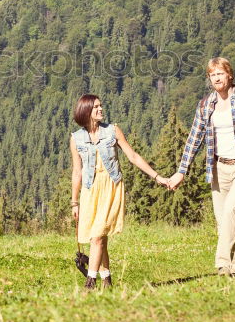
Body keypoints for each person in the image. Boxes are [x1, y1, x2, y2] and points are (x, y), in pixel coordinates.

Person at [167, 57, 235, 277]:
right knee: (223, 221)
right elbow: (194, 139)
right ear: (209, 78)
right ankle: (232, 270)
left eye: (220, 73)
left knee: (230, 210)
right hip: (218, 168)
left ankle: (221, 263)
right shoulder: (206, 104)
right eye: (212, 74)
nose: (217, 78)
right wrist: (181, 171)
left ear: (229, 75)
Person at [70, 94, 165, 290]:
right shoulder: (76, 138)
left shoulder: (112, 131)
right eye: (96, 107)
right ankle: (107, 279)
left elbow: (133, 156)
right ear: (86, 111)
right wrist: (74, 201)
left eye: (101, 105)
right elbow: (77, 171)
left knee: (97, 236)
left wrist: (157, 177)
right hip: (90, 189)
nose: (101, 109)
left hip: (111, 186)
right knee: (99, 236)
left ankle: (90, 283)